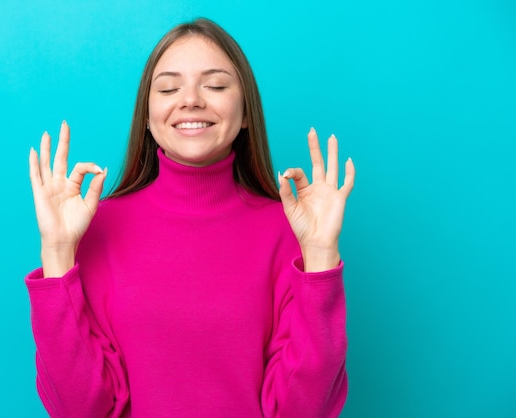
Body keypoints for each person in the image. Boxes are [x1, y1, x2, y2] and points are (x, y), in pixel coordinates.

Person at [27, 17, 355, 418]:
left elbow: (302, 410)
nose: (191, 100)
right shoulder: (96, 229)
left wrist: (320, 256)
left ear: (247, 112)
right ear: (147, 118)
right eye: (168, 88)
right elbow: (83, 408)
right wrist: (58, 253)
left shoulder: (292, 233)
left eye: (215, 85)